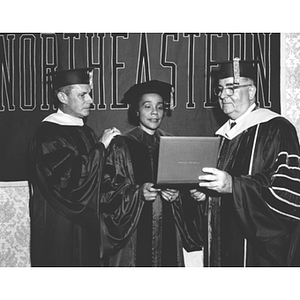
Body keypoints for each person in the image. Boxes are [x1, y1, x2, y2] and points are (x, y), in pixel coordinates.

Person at [191, 58, 300, 266]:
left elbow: (288, 193)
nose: (223, 95)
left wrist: (234, 185)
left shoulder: (277, 129)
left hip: (258, 252)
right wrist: (206, 195)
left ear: (251, 92)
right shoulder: (222, 137)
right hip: (222, 246)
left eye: (231, 88)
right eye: (220, 89)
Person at [99, 80, 204, 266]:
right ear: (136, 111)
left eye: (160, 107)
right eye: (147, 106)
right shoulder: (121, 145)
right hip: (134, 233)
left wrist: (177, 195)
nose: (155, 112)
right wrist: (138, 193)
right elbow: (107, 194)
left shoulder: (173, 144)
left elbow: (187, 192)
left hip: (168, 228)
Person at [28, 68, 120, 266]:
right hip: (59, 221)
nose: (91, 100)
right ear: (62, 96)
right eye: (82, 95)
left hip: (85, 222)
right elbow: (68, 178)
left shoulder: (85, 131)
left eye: (90, 94)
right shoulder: (47, 133)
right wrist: (101, 147)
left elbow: (98, 175)